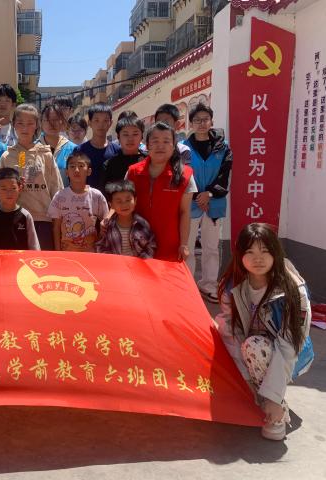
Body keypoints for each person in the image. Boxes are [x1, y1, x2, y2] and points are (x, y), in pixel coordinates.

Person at [215, 222, 313, 441]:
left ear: (275, 252)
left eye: (265, 251)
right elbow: (231, 332)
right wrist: (245, 380)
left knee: (255, 346)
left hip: (293, 354)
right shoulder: (232, 286)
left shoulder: (293, 289)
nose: (257, 259)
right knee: (217, 332)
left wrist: (273, 397)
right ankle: (261, 395)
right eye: (249, 252)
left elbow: (290, 343)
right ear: (240, 255)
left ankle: (276, 411)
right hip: (251, 350)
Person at [183, 102, 233, 303]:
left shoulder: (223, 147)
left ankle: (209, 284)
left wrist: (209, 194)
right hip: (190, 203)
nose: (201, 123)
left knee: (211, 247)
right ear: (191, 123)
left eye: (205, 119)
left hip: (214, 202)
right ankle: (187, 285)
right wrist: (198, 196)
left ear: (211, 121)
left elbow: (225, 175)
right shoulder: (183, 148)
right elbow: (182, 175)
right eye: (197, 120)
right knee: (187, 245)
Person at [125, 122, 196, 261]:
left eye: (166, 141)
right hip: (136, 245)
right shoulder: (133, 172)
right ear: (147, 145)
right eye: (155, 141)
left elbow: (185, 212)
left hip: (170, 246)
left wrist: (184, 244)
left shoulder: (185, 175)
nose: (160, 146)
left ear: (173, 146)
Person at [0, 104, 63, 250]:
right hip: (14, 217)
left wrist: (57, 222)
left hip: (42, 219)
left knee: (41, 261)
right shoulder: (7, 156)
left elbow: (56, 189)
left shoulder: (45, 155)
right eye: (20, 123)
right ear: (14, 125)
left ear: (36, 125)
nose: (25, 128)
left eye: (30, 123)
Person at [47, 152, 108, 252]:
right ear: (66, 172)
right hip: (67, 253)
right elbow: (56, 227)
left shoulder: (97, 196)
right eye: (72, 166)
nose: (76, 170)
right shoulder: (60, 196)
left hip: (91, 253)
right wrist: (58, 252)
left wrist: (99, 248)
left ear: (89, 171)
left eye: (81, 166)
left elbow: (105, 224)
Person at [0, 167, 40, 250]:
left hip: (20, 258)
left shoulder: (25, 216)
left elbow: (34, 246)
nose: (9, 193)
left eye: (13, 188)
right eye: (4, 189)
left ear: (20, 189)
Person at [96, 180, 156, 258]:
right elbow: (101, 245)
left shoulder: (142, 224)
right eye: (119, 201)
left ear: (135, 201)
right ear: (111, 205)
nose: (124, 205)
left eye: (128, 200)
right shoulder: (107, 226)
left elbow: (151, 244)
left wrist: (144, 259)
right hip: (115, 264)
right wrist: (110, 259)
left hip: (138, 264)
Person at [74, 103, 121, 188]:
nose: (101, 125)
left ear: (110, 123)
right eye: (96, 120)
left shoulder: (117, 151)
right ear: (89, 123)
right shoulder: (80, 151)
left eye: (105, 121)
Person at [100, 114, 146, 191]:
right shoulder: (109, 165)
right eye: (125, 134)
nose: (130, 139)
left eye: (135, 134)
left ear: (142, 136)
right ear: (118, 137)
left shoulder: (149, 160)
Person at [40, 103, 77, 187]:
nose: (51, 123)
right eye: (47, 120)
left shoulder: (73, 149)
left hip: (65, 195)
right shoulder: (32, 148)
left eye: (55, 119)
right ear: (41, 123)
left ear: (62, 122)